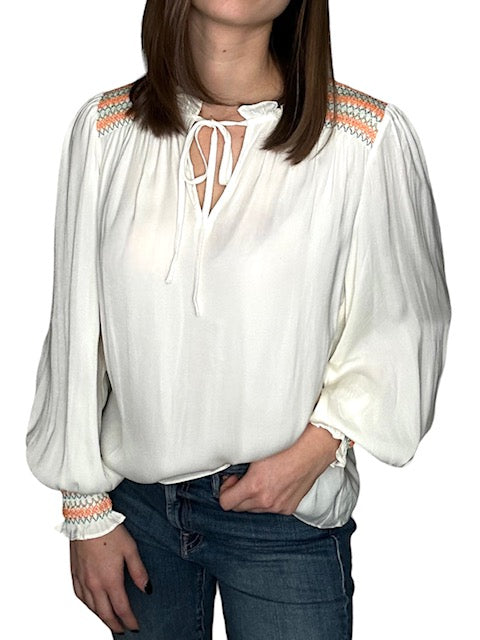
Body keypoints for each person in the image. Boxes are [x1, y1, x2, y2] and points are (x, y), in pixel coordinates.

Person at [25, 0, 451, 638]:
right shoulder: (106, 131)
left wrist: (317, 450)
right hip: (134, 512)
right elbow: (77, 331)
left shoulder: (362, 140)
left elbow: (403, 323)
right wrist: (85, 509)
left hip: (283, 515)